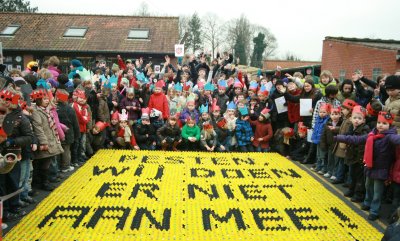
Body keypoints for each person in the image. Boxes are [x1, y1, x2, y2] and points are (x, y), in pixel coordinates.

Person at [335, 112, 400, 221]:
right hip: (370, 166)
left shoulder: (390, 136)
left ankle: (374, 211)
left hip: (381, 169)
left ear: (390, 125)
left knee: (377, 192)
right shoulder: (372, 134)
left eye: (384, 123)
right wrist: (339, 137)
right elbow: (357, 139)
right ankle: (367, 203)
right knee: (368, 186)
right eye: (379, 122)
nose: (380, 125)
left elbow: (397, 140)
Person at [30, 89, 64, 191]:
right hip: (45, 140)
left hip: (51, 138)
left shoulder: (47, 110)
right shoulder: (36, 111)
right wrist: (44, 142)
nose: (47, 100)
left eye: (47, 98)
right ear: (38, 100)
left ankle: (44, 181)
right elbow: (38, 128)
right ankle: (43, 183)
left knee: (47, 161)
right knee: (43, 162)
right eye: (44, 99)